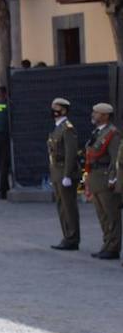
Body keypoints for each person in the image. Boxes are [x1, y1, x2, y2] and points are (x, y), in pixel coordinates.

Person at [84, 103, 121, 260]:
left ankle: (113, 247)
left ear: (105, 116)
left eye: (96, 113)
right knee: (102, 215)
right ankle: (106, 244)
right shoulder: (98, 132)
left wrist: (114, 179)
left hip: (106, 178)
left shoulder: (113, 134)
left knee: (111, 215)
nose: (93, 115)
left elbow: (116, 160)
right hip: (95, 177)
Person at [48, 97, 81, 250]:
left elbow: (70, 153)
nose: (54, 111)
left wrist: (67, 174)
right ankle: (67, 235)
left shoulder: (67, 128)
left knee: (69, 207)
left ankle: (72, 238)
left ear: (64, 110)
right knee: (61, 207)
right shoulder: (57, 127)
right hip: (57, 171)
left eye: (57, 108)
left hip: (64, 172)